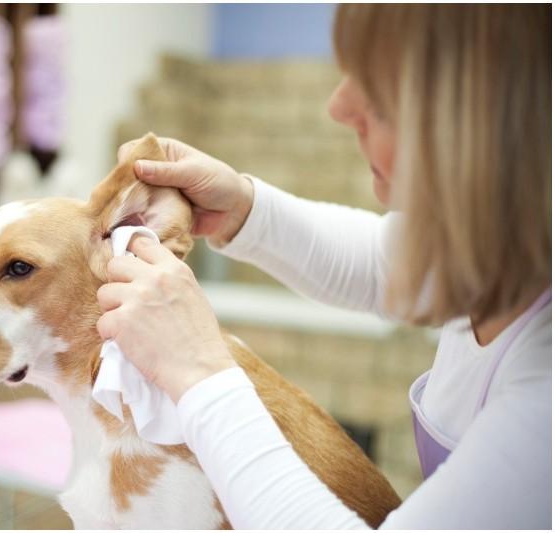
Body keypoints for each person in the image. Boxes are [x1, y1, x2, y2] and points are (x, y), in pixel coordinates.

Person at [96, 4, 551, 529]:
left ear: (481, 135)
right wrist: (242, 208)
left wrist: (198, 371)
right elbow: (379, 260)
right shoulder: (503, 250)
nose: (339, 107)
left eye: (379, 100)